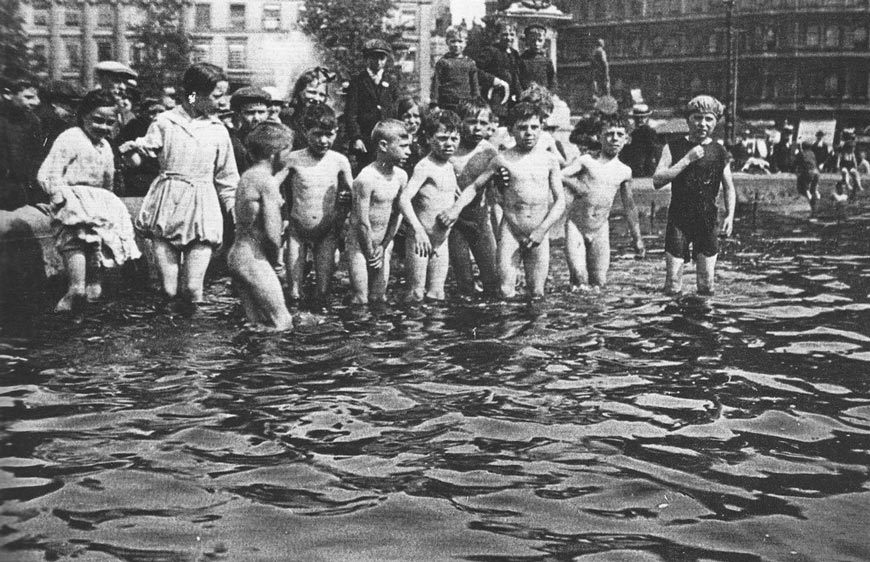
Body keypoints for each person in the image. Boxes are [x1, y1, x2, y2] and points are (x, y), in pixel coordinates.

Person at [120, 63, 239, 306]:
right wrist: (129, 154)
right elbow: (139, 158)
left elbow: (227, 179)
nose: (223, 102)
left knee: (194, 289)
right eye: (217, 95)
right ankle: (168, 341)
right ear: (195, 94)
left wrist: (235, 213)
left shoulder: (218, 131)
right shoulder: (165, 122)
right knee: (168, 289)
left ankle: (195, 341)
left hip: (202, 208)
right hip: (167, 205)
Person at [439, 102, 566, 299]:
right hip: (511, 231)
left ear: (542, 127)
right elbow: (474, 186)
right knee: (505, 290)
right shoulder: (501, 159)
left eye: (534, 127)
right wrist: (456, 208)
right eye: (522, 128)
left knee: (537, 292)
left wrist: (542, 230)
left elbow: (560, 202)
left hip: (539, 230)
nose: (529, 133)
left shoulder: (549, 161)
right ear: (510, 130)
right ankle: (508, 329)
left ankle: (536, 328)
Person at [37, 90, 141, 312]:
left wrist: (110, 205)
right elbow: (48, 173)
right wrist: (58, 196)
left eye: (109, 122)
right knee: (76, 242)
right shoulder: (71, 137)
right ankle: (74, 293)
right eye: (97, 120)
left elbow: (108, 180)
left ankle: (91, 304)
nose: (103, 127)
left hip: (98, 203)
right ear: (83, 115)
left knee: (98, 254)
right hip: (73, 200)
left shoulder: (105, 146)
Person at [652, 95, 735, 296]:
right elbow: (657, 180)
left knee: (706, 284)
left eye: (709, 119)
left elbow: (729, 187)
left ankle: (704, 323)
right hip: (679, 221)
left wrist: (730, 215)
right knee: (673, 284)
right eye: (697, 118)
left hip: (706, 221)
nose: (702, 124)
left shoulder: (719, 151)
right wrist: (686, 160)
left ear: (716, 122)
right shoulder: (673, 147)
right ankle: (672, 322)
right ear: (688, 119)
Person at [562, 115, 644, 292]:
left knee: (599, 283)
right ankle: (573, 315)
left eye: (619, 134)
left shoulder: (624, 171)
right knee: (580, 279)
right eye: (609, 134)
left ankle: (595, 318)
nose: (614, 138)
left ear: (626, 140)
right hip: (577, 225)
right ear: (599, 137)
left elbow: (629, 206)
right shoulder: (586, 161)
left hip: (600, 229)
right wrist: (577, 185)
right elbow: (560, 174)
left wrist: (637, 238)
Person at [227, 121, 294, 331]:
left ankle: (254, 362)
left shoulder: (248, 176)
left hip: (238, 255)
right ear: (275, 154)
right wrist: (279, 265)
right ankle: (275, 364)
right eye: (287, 151)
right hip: (253, 258)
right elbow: (273, 234)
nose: (289, 157)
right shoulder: (267, 183)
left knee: (256, 323)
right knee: (283, 321)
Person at [284, 104, 353, 303]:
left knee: (323, 291)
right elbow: (274, 187)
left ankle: (321, 329)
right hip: (297, 230)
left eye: (329, 134)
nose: (323, 140)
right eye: (317, 134)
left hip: (327, 232)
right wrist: (281, 217)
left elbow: (354, 192)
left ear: (336, 132)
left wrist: (346, 198)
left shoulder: (339, 161)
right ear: (305, 132)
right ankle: (295, 329)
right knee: (295, 293)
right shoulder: (294, 159)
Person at [398, 110, 461, 302]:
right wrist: (417, 229)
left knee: (437, 293)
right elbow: (403, 199)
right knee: (416, 293)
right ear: (428, 138)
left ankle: (435, 331)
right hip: (421, 240)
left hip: (441, 241)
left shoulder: (450, 166)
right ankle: (414, 332)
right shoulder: (424, 166)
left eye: (454, 138)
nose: (449, 144)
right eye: (442, 138)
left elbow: (453, 196)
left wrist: (454, 211)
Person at [346, 119, 410, 304]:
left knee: (379, 297)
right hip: (359, 245)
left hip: (383, 244)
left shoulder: (401, 176)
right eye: (403, 147)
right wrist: (369, 251)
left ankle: (378, 332)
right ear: (383, 145)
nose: (409, 152)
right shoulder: (366, 178)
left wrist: (383, 246)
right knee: (361, 298)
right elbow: (361, 221)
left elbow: (397, 214)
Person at [448, 98, 499, 297]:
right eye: (471, 122)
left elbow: (496, 193)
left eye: (483, 123)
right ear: (460, 122)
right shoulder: (450, 148)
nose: (477, 128)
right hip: (454, 224)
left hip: (479, 220)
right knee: (464, 281)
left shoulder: (488, 151)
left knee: (492, 278)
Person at [345, 40, 399, 169]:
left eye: (382, 58)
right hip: (365, 137)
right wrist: (356, 138)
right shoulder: (358, 80)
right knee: (365, 168)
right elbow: (351, 113)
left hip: (386, 136)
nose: (378, 62)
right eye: (374, 57)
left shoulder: (391, 80)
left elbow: (396, 109)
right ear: (367, 59)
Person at [0, 77, 43, 210]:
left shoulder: (33, 121)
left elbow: (37, 158)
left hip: (20, 192)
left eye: (37, 97)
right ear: (8, 94)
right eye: (29, 97)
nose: (37, 102)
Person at [117, 97, 166, 197]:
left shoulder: (166, 127)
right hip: (139, 173)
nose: (157, 116)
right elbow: (120, 144)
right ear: (143, 113)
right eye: (152, 112)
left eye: (160, 112)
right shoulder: (134, 126)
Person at [473, 21, 520, 118]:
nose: (509, 38)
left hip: (511, 97)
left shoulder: (514, 53)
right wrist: (494, 80)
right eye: (505, 35)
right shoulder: (491, 50)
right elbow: (474, 70)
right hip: (494, 95)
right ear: (498, 35)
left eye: (512, 35)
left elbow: (516, 74)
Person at [282, 67, 333, 150]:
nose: (317, 99)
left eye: (322, 95)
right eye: (312, 92)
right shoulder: (287, 119)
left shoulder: (328, 121)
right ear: (299, 92)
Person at [431, 26, 480, 113]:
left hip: (466, 104)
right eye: (453, 41)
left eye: (460, 41)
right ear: (447, 42)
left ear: (465, 43)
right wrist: (434, 104)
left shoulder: (470, 63)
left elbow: (474, 84)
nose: (456, 45)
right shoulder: (443, 62)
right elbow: (436, 83)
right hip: (446, 104)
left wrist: (476, 102)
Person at [228, 86, 272, 173]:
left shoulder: (276, 140)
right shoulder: (234, 143)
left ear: (268, 113)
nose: (256, 118)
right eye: (250, 112)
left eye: (261, 112)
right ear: (238, 114)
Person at [621, 103, 658, 178]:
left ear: (647, 117)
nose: (640, 120)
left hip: (645, 163)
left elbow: (652, 149)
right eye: (637, 118)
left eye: (643, 117)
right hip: (633, 162)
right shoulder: (631, 131)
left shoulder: (649, 131)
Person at [518, 24, 556, 92]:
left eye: (540, 40)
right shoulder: (521, 60)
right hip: (526, 97)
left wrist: (549, 94)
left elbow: (553, 81)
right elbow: (517, 82)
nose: (536, 44)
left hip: (544, 97)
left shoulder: (547, 61)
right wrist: (522, 95)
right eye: (533, 40)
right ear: (527, 40)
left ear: (544, 41)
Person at [794, 140, 820, 215]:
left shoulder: (802, 154)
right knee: (814, 190)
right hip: (816, 172)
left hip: (808, 172)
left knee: (806, 189)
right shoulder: (812, 153)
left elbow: (796, 163)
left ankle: (810, 207)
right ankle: (816, 206)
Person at [836, 129, 862, 199]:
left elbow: (854, 160)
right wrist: (838, 164)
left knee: (855, 173)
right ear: (848, 148)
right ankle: (847, 185)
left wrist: (856, 166)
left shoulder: (852, 153)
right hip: (844, 165)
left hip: (850, 166)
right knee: (845, 172)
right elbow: (839, 158)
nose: (852, 150)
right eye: (851, 148)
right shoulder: (844, 152)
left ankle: (859, 185)